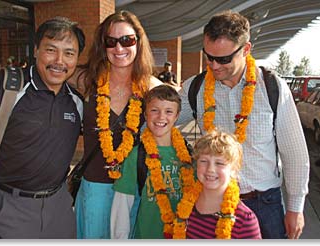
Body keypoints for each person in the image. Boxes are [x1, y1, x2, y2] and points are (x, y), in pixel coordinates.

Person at [177, 10, 309, 239]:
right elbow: (166, 124)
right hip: (211, 204)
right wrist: (199, 143)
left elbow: (294, 152)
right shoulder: (195, 88)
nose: (215, 65)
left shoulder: (270, 87)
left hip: (263, 204)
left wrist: (295, 207)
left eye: (224, 59)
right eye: (209, 57)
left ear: (246, 49)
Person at [0, 16, 85, 238]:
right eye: (51, 50)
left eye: (69, 53)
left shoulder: (76, 101)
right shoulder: (8, 87)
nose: (59, 61)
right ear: (35, 50)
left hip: (59, 207)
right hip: (8, 207)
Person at [69, 10, 161, 239]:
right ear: (103, 46)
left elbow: (181, 109)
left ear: (138, 43)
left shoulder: (151, 87)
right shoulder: (86, 80)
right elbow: (48, 71)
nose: (119, 49)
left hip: (133, 190)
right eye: (112, 42)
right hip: (94, 189)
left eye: (127, 40)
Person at [111, 84, 194, 239]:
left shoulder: (189, 157)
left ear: (177, 116)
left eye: (168, 111)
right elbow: (121, 207)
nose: (161, 117)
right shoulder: (136, 155)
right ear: (145, 114)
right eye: (154, 110)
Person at [172, 129, 261, 239]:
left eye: (219, 163)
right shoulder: (185, 205)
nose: (211, 169)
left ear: (233, 169)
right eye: (204, 161)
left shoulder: (244, 220)